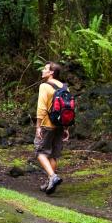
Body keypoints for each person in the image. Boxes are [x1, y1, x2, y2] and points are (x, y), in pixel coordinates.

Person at [35, 61, 68, 194]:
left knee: (40, 152)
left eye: (45, 69)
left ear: (51, 73)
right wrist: (66, 128)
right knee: (53, 155)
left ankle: (53, 177)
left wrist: (38, 126)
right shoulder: (64, 87)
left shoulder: (44, 86)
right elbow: (66, 109)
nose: (42, 70)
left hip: (47, 124)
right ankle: (50, 183)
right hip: (60, 125)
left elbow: (41, 107)